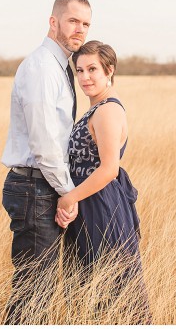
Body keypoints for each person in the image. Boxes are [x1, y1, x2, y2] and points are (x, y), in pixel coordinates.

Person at [0, 0, 92, 324]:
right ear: (53, 22)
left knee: (39, 288)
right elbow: (44, 143)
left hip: (42, 185)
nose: (80, 29)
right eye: (73, 20)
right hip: (35, 186)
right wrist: (69, 193)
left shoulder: (58, 66)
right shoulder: (41, 67)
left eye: (85, 23)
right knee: (34, 291)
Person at [55, 40, 152, 324]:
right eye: (80, 70)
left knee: (114, 290)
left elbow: (109, 168)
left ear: (109, 70)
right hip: (90, 202)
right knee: (90, 289)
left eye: (92, 69)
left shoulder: (108, 110)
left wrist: (69, 197)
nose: (84, 77)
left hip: (101, 206)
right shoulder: (95, 108)